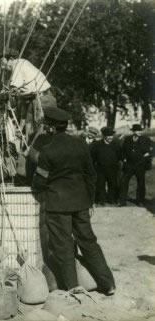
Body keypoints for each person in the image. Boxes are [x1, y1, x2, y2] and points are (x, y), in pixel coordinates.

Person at [32, 107, 115, 295]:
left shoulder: (47, 150)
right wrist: (90, 200)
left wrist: (39, 188)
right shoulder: (81, 145)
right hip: (81, 203)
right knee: (89, 241)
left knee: (63, 245)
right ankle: (108, 283)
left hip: (58, 205)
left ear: (51, 128)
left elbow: (39, 181)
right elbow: (91, 175)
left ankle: (73, 286)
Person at [1, 48, 57, 137]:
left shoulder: (17, 64)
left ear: (11, 59)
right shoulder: (23, 63)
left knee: (43, 131)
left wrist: (4, 93)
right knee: (30, 127)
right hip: (38, 98)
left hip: (42, 100)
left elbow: (14, 87)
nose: (3, 67)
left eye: (4, 64)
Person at [119, 124, 153, 207]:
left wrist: (149, 154)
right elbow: (122, 150)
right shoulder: (128, 139)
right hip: (129, 165)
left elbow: (154, 147)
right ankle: (122, 201)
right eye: (138, 131)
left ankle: (140, 201)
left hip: (140, 164)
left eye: (141, 130)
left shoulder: (146, 139)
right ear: (133, 131)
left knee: (141, 183)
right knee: (123, 182)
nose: (140, 132)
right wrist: (124, 159)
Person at [90, 127, 122, 205]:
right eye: (108, 136)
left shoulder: (116, 145)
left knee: (112, 184)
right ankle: (101, 200)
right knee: (100, 184)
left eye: (111, 136)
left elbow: (119, 156)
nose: (110, 138)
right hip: (100, 168)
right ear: (104, 136)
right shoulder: (97, 145)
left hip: (112, 168)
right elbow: (93, 157)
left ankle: (111, 199)